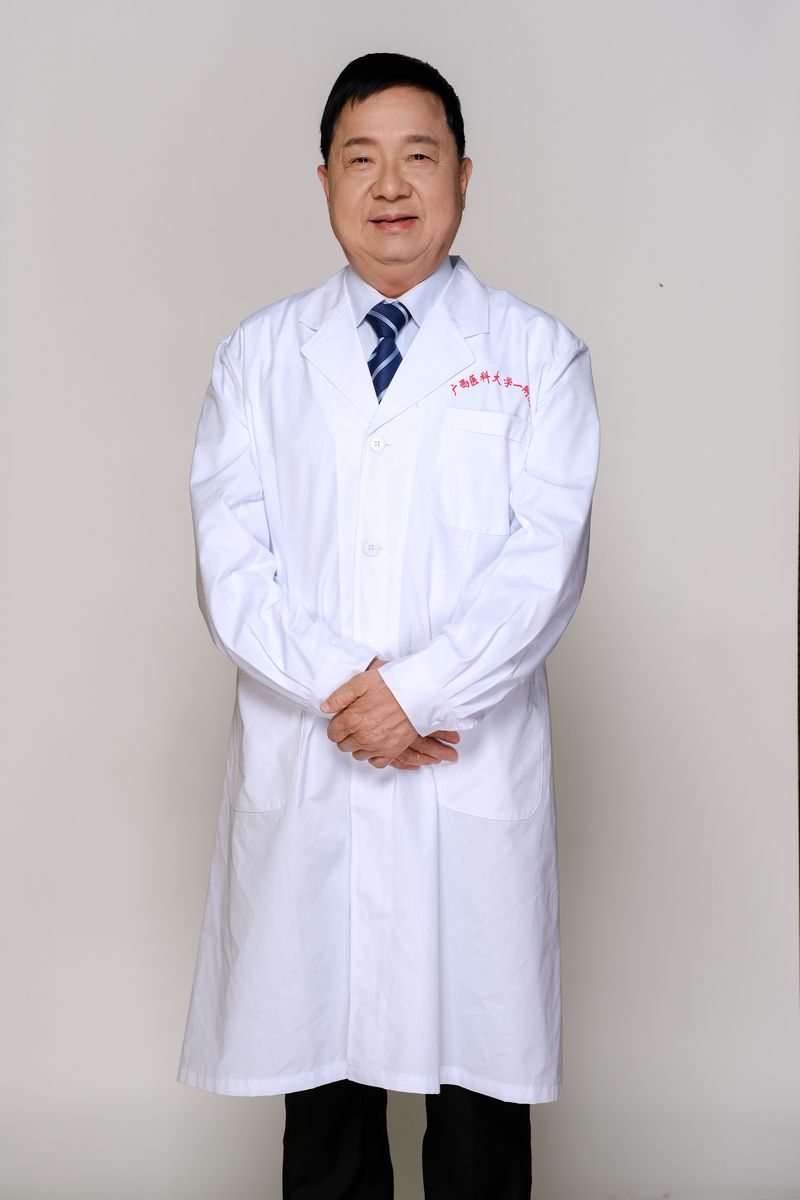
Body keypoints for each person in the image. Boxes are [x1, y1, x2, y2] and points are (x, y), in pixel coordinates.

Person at [177, 51, 600, 1200]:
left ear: (462, 175)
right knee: (324, 1120)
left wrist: (413, 696)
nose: (389, 185)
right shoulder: (258, 358)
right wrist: (349, 692)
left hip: (461, 768)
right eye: (359, 158)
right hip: (316, 761)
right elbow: (231, 564)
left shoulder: (534, 356)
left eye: (418, 155)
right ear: (324, 180)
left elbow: (543, 563)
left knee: (475, 1122)